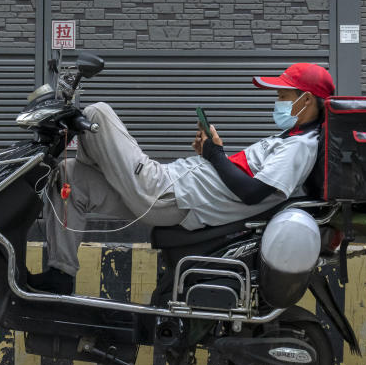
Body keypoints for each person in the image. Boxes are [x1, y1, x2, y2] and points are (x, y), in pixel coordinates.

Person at [28, 62, 335, 294]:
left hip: (170, 194)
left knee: (97, 113)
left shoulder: (300, 147)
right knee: (69, 176)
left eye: (283, 94)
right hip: (173, 186)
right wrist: (214, 153)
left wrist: (214, 155)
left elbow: (254, 193)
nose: (278, 101)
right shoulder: (289, 138)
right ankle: (61, 275)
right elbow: (242, 179)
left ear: (306, 100)